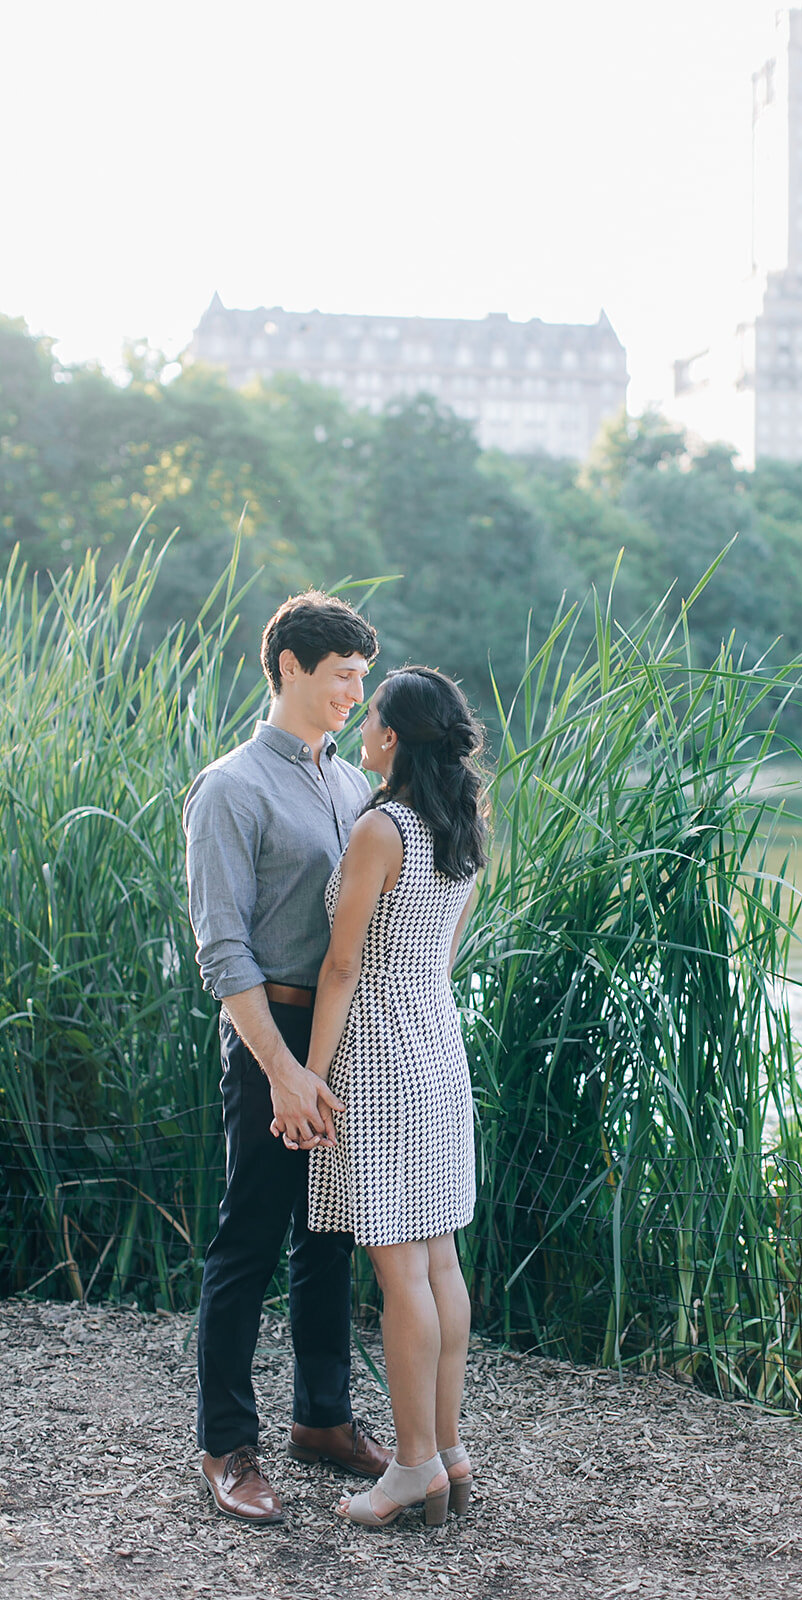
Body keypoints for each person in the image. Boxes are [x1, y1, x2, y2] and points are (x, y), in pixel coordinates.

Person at [183, 591, 391, 1525]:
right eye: (341, 673)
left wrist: (333, 1062)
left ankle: (322, 1421)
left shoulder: (352, 786)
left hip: (342, 1044)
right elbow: (222, 950)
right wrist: (281, 1070)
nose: (356, 690)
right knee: (248, 1241)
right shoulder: (230, 786)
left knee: (329, 1242)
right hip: (270, 1035)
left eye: (363, 675)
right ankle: (226, 1446)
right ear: (291, 668)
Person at [289, 666, 488, 1529]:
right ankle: (446, 1452)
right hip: (437, 1043)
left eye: (372, 716)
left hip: (376, 1054)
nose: (363, 727)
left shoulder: (382, 826)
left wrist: (314, 1075)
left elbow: (342, 964)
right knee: (438, 1257)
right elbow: (437, 955)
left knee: (401, 1266)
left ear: (394, 737)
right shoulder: (463, 827)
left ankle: (411, 1469)